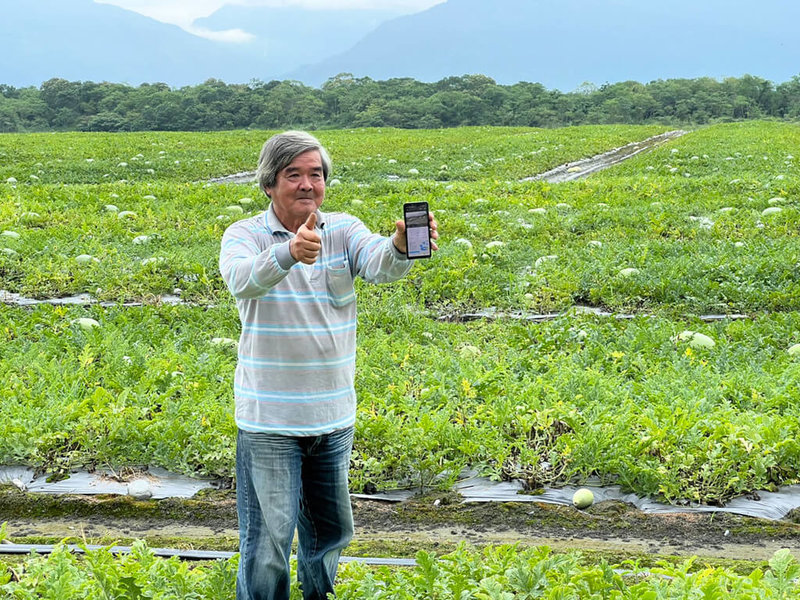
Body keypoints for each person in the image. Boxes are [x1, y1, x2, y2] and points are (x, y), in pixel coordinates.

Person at [219, 130, 438, 600]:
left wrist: (400, 246)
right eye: (292, 174)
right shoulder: (245, 235)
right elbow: (241, 279)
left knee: (328, 537)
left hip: (332, 417)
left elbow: (379, 264)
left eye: (315, 174)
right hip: (270, 423)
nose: (306, 184)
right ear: (269, 183)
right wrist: (288, 253)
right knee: (268, 544)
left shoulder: (343, 229)